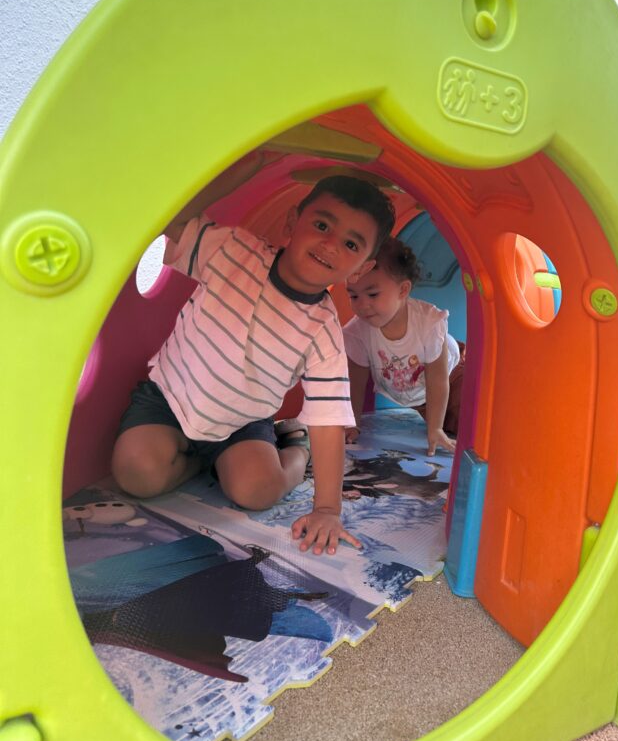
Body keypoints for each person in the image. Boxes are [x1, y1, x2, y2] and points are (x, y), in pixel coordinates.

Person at [111, 153, 395, 556]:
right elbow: (169, 217)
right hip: (170, 400)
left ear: (361, 268)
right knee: (135, 473)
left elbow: (329, 418)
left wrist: (327, 509)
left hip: (242, 423)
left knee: (257, 491)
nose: (331, 244)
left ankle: (295, 451)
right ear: (292, 222)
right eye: (321, 225)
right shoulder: (232, 251)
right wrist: (249, 163)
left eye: (351, 244)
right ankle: (201, 462)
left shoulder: (323, 330)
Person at [343, 237, 464, 456]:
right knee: (444, 425)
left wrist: (435, 428)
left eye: (372, 294)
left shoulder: (427, 322)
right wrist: (353, 423)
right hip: (418, 398)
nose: (362, 305)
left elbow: (438, 380)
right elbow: (356, 382)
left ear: (403, 290)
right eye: (353, 295)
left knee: (466, 423)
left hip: (451, 376)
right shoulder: (357, 332)